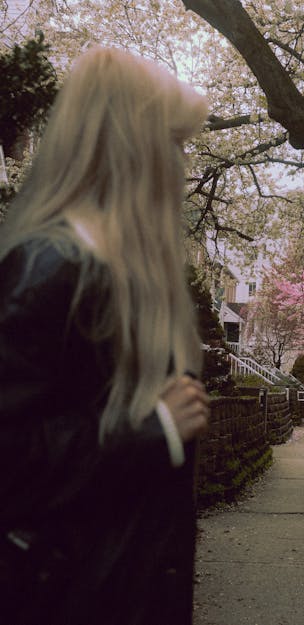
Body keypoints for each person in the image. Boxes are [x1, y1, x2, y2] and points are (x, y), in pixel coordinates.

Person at [0, 47, 210, 625]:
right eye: (172, 143)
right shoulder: (48, 269)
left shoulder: (118, 272)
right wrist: (151, 430)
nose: (180, 165)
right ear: (132, 145)